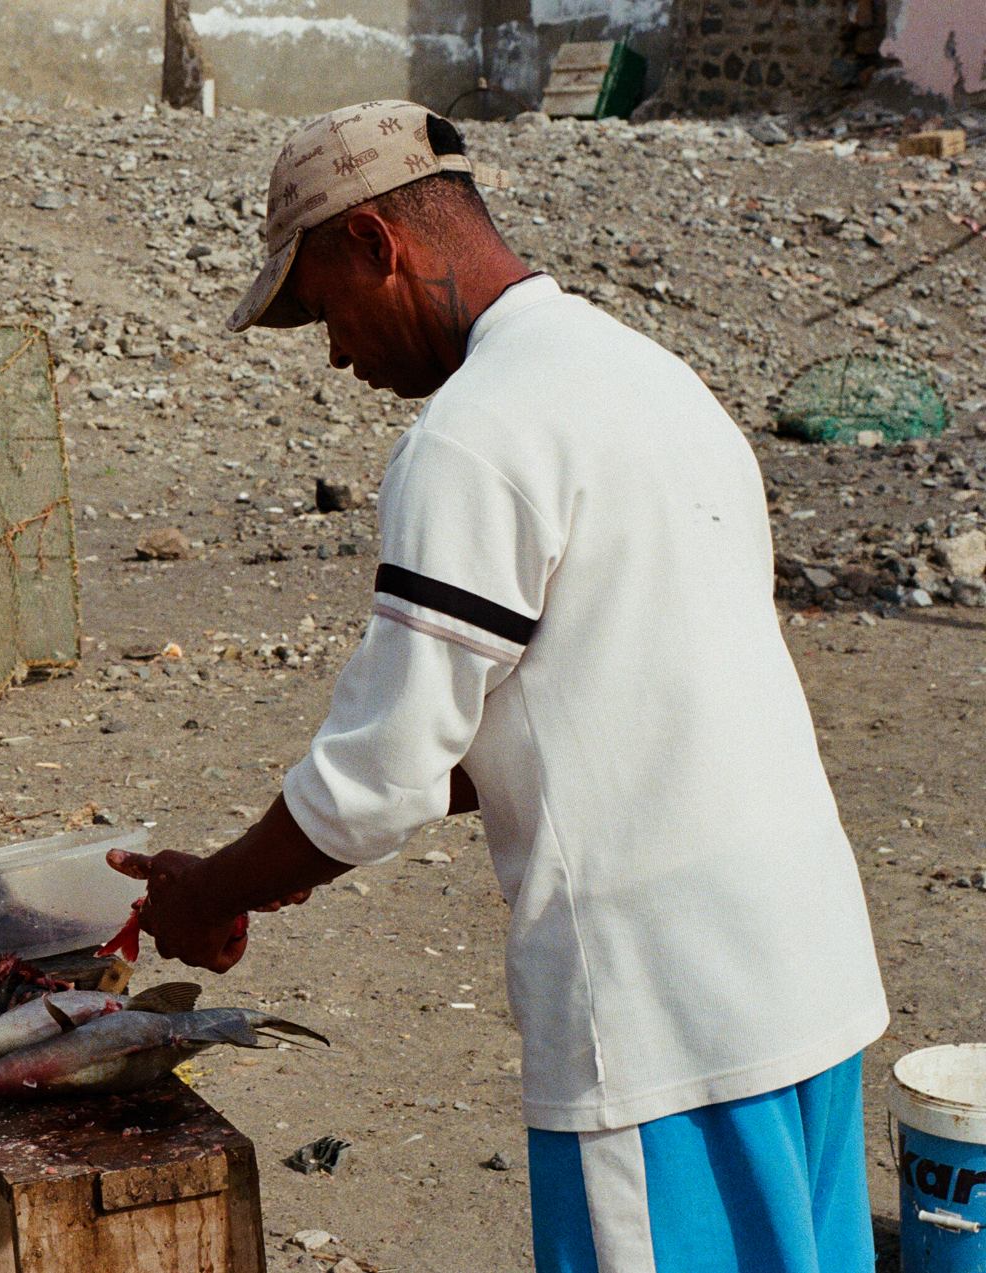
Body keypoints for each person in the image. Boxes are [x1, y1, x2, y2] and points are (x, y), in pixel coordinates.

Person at [107, 100, 890, 1271]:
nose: (335, 352)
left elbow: (381, 776)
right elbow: (579, 703)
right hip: (806, 973)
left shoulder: (473, 437)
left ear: (378, 245)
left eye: (325, 307)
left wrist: (214, 888)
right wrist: (291, 853)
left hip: (660, 1013)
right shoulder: (650, 376)